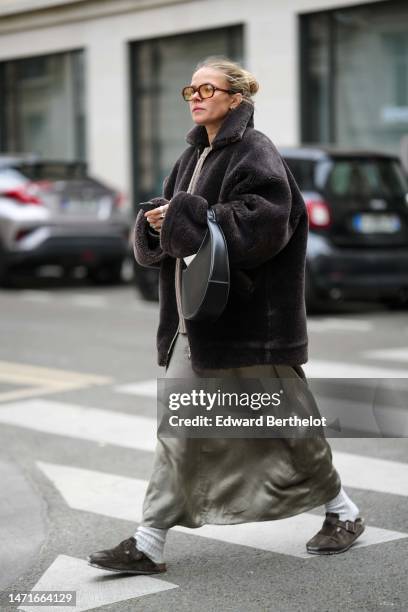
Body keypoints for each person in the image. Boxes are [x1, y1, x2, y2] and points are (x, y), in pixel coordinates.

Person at [88, 57, 364, 575]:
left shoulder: (254, 151)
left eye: (207, 88)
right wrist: (156, 223)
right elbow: (179, 229)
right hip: (199, 324)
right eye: (189, 88)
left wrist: (188, 214)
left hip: (251, 327)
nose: (195, 96)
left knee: (288, 426)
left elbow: (264, 227)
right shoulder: (194, 154)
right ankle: (149, 542)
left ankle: (343, 511)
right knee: (181, 426)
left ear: (235, 98)